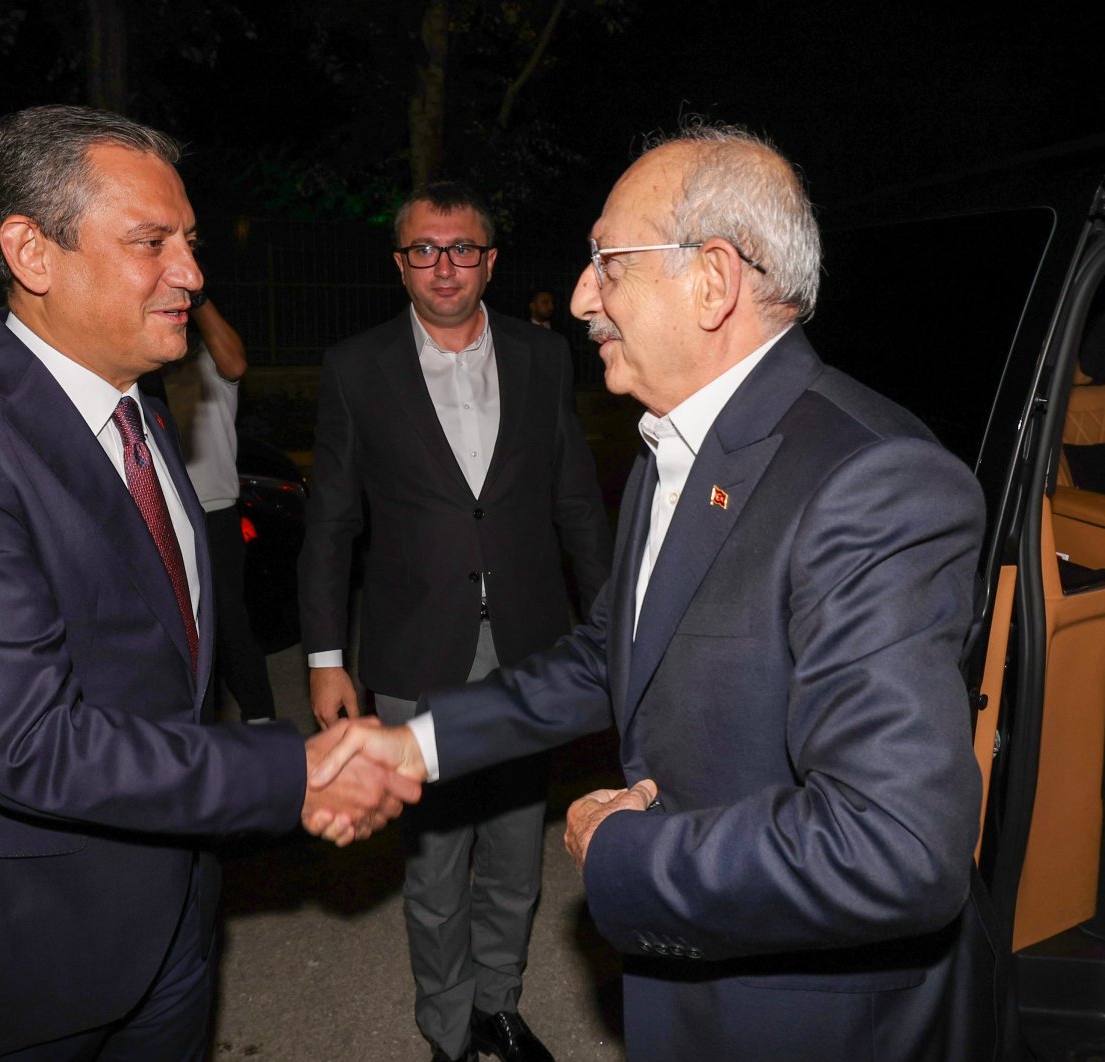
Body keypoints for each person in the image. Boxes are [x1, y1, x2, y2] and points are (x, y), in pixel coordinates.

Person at [314, 126, 999, 1061]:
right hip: (699, 977)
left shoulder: (874, 484)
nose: (585, 296)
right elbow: (614, 653)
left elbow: (897, 850)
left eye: (609, 262)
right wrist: (415, 745)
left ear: (713, 281)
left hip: (809, 1014)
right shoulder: (673, 445)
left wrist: (623, 853)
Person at [0, 104, 420, 1061]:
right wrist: (293, 768)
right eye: (152, 243)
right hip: (18, 954)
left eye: (187, 241)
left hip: (170, 920)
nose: (190, 272)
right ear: (32, 252)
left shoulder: (136, 408)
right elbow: (24, 741)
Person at [298, 182, 611, 1062]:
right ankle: (445, 1028)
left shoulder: (543, 357)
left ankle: (498, 1008)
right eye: (424, 250)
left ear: (490, 262)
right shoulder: (358, 368)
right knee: (435, 863)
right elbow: (330, 524)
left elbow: (577, 506)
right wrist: (326, 656)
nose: (444, 265)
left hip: (529, 642)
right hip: (414, 646)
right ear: (400, 264)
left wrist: (619, 623)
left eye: (462, 248)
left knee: (514, 854)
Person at [161, 291, 277, 723]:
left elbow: (237, 364)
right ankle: (192, 731)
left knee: (228, 621)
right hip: (160, 509)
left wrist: (201, 297)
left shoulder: (211, 356)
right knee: (176, 628)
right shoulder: (144, 359)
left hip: (213, 510)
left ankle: (261, 721)